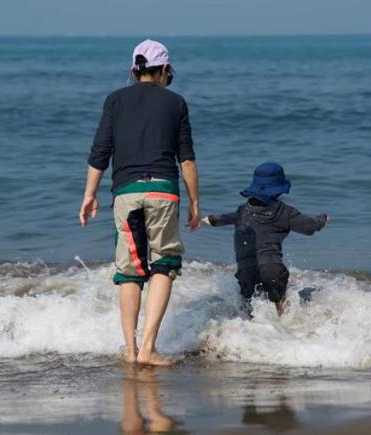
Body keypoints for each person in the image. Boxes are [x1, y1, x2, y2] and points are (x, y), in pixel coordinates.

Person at [79, 39, 200, 366]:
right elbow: (186, 160)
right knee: (164, 264)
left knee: (130, 272)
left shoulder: (114, 100)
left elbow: (100, 153)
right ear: (163, 71)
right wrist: (194, 201)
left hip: (126, 193)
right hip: (163, 191)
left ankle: (130, 351)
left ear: (134, 70)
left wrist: (89, 195)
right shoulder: (176, 103)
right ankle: (148, 348)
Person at [202, 162, 327, 316]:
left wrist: (209, 219)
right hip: (271, 267)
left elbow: (224, 218)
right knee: (280, 305)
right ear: (279, 189)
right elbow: (309, 227)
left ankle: (242, 335)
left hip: (246, 269)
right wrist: (322, 219)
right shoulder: (285, 212)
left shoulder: (243, 211)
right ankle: (283, 330)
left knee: (247, 310)